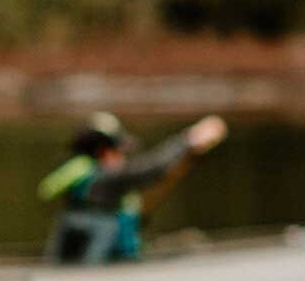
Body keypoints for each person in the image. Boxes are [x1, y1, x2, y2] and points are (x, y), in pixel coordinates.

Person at [38, 111, 227, 263]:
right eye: (119, 150)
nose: (123, 157)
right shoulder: (109, 178)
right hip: (92, 272)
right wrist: (188, 140)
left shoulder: (78, 174)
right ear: (104, 151)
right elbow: (154, 166)